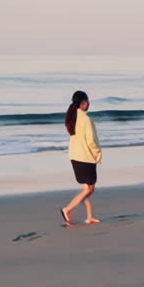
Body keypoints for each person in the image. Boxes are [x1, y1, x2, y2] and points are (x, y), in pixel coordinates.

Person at [61, 90, 103, 225]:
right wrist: (97, 152)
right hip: (85, 157)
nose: (89, 103)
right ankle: (67, 209)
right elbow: (91, 141)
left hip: (74, 156)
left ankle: (89, 217)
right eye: (87, 101)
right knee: (90, 189)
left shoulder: (72, 117)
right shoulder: (86, 119)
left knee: (86, 188)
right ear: (82, 103)